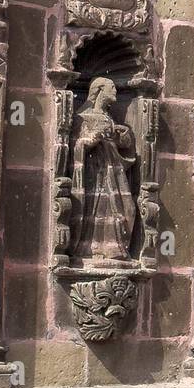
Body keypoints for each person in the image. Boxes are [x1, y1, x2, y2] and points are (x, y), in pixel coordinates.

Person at [71, 77, 138, 261]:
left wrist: (121, 136)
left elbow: (120, 147)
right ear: (100, 90)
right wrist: (92, 139)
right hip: (94, 173)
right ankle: (89, 249)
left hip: (113, 172)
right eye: (112, 87)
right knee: (95, 210)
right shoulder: (85, 117)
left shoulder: (109, 119)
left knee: (126, 208)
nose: (116, 91)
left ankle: (115, 248)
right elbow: (77, 146)